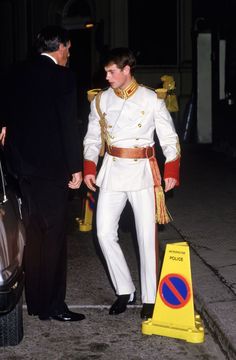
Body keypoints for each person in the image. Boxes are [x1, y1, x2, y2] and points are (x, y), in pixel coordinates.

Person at [83, 47, 180, 320]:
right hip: (112, 171)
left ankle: (150, 297)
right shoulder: (100, 101)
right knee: (102, 232)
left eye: (112, 72)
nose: (107, 77)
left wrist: (171, 168)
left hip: (142, 173)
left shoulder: (152, 99)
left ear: (127, 70)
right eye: (105, 72)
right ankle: (125, 289)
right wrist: (90, 166)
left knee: (146, 236)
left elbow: (169, 138)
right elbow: (92, 138)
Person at [2, 26, 85, 322]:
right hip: (51, 170)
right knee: (54, 237)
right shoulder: (63, 77)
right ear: (59, 47)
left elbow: (6, 113)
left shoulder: (16, 72)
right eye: (69, 48)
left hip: (23, 170)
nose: (69, 54)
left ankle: (35, 302)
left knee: (35, 233)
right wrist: (76, 167)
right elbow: (67, 126)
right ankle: (52, 305)